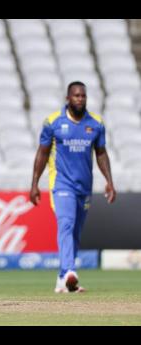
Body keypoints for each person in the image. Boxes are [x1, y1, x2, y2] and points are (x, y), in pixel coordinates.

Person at [29, 81, 116, 293]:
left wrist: (109, 181)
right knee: (66, 223)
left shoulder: (95, 123)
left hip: (84, 186)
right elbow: (42, 153)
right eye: (76, 95)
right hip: (61, 184)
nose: (80, 99)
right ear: (68, 98)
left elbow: (101, 153)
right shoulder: (53, 122)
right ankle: (69, 270)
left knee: (76, 232)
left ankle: (62, 280)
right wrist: (34, 183)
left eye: (83, 96)